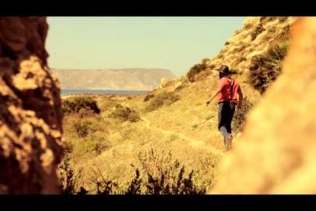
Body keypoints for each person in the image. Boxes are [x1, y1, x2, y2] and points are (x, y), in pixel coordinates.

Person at [205, 65, 243, 151]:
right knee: (228, 125)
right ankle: (228, 148)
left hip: (224, 104)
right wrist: (240, 104)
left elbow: (218, 90)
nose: (218, 74)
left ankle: (228, 137)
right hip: (232, 104)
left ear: (222, 73)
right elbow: (240, 94)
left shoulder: (223, 80)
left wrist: (209, 100)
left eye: (219, 73)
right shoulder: (235, 82)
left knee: (221, 126)